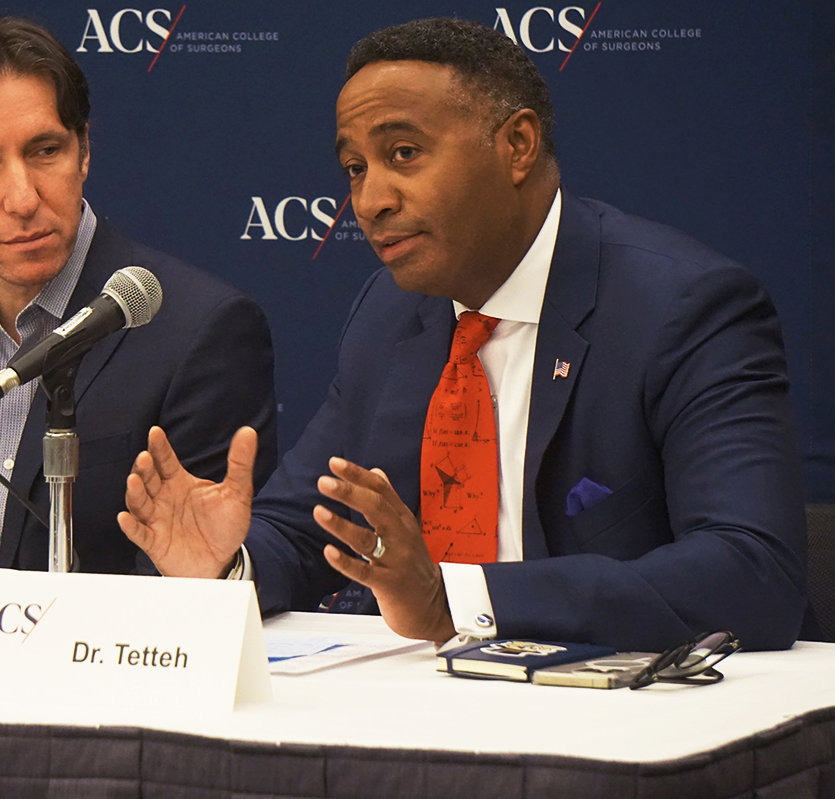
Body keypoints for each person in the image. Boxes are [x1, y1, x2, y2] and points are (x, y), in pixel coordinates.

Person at [117, 17, 809, 651]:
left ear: (517, 146)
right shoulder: (389, 315)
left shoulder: (681, 307)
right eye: (355, 168)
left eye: (404, 153)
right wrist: (223, 565)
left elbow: (752, 570)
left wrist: (458, 602)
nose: (370, 201)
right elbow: (311, 525)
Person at [0, 17, 277, 591]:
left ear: (83, 150)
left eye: (45, 151)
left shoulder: (201, 332)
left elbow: (190, 584)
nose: (23, 199)